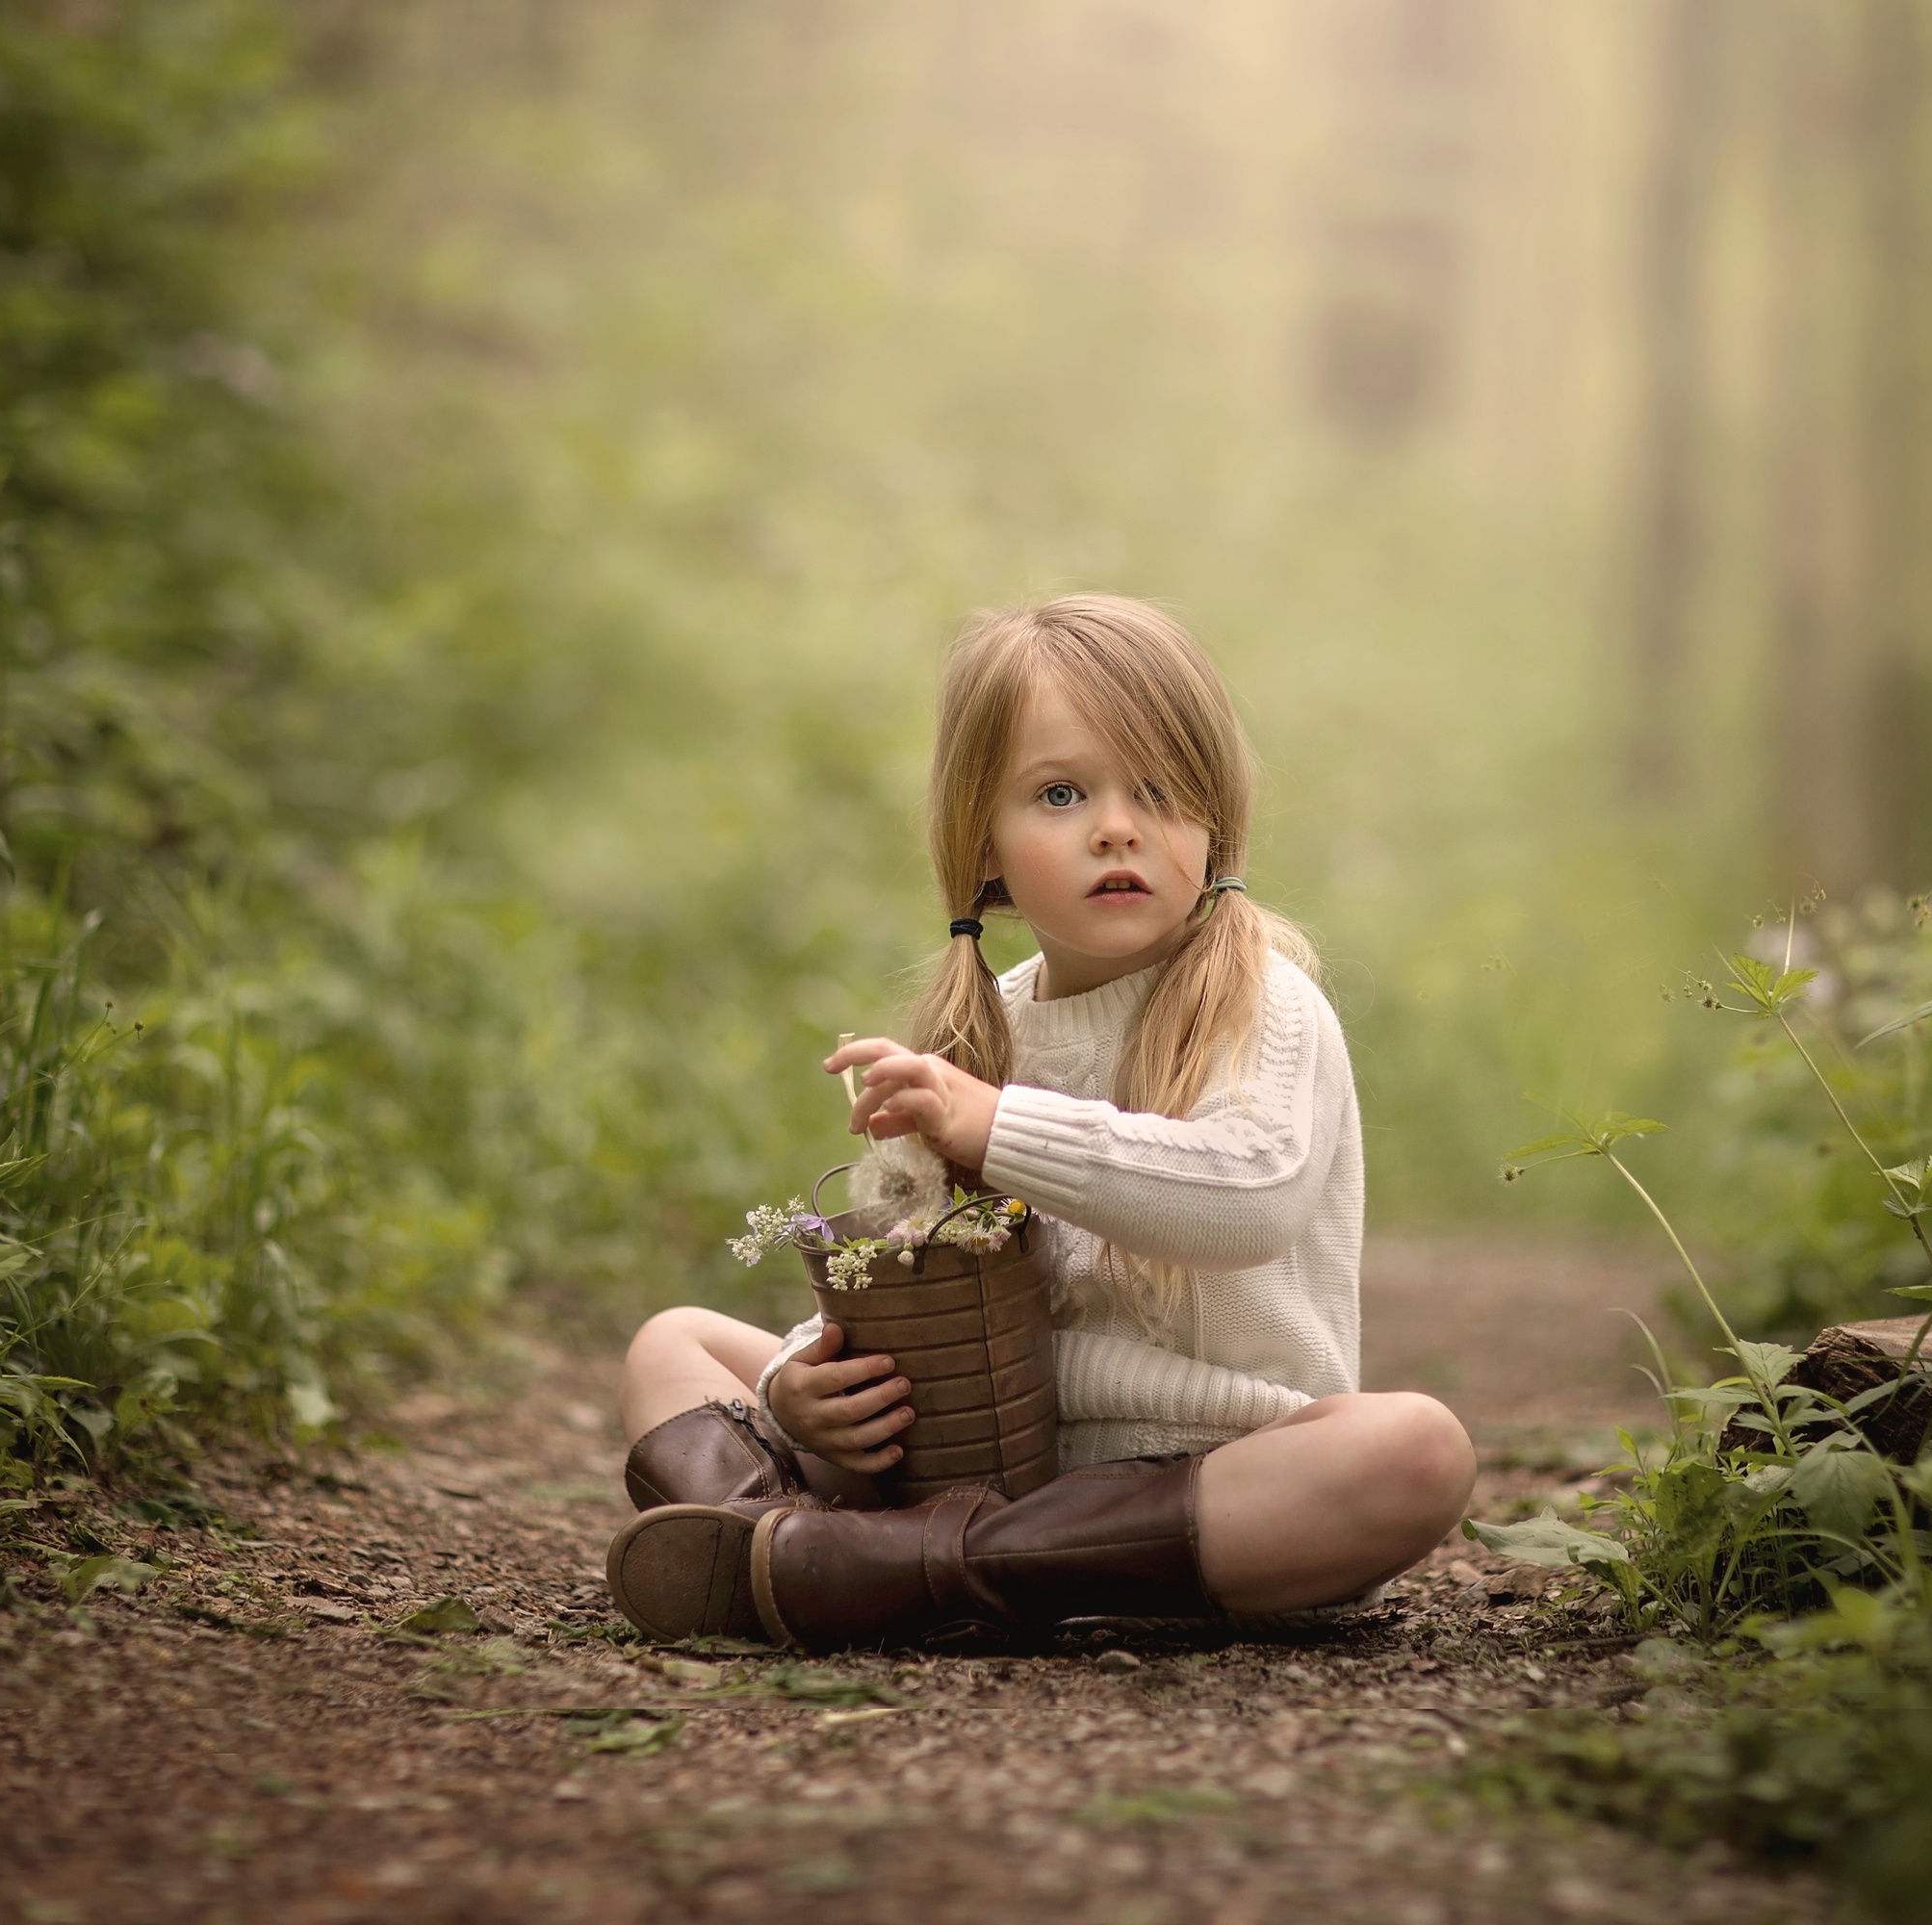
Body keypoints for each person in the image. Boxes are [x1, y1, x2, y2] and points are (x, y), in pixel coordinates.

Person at [605, 594, 1475, 1650]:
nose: (1118, 824)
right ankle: (795, 1555)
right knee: (674, 1342)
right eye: (1060, 792)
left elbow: (1249, 1200)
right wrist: (800, 1388)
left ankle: (860, 1567)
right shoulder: (977, 1036)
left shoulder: (1261, 999)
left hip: (1208, 1481)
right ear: (984, 845)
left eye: (1158, 788)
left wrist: (998, 1127)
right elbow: (901, 1283)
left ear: (1214, 821)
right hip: (985, 1455)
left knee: (1414, 1450)